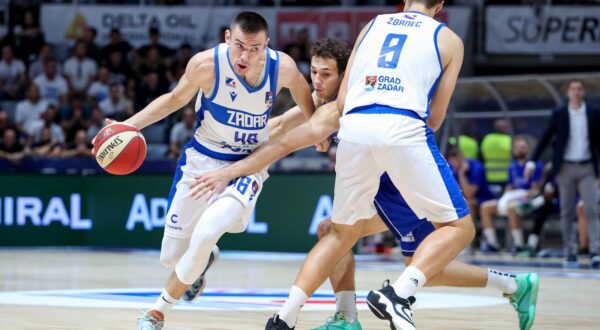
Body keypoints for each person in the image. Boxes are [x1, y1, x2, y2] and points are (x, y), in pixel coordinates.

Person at [191, 37, 538, 330]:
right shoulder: (324, 103)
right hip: (384, 191)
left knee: (349, 237)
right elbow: (281, 126)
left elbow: (287, 142)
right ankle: (512, 284)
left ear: (347, 75)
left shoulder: (348, 104)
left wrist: (229, 171)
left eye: (326, 74)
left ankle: (325, 315)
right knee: (343, 235)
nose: (317, 82)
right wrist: (232, 136)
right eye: (313, 72)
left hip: (404, 190)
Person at [90, 12, 315, 330]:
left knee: (208, 232)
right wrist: (128, 125)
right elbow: (173, 100)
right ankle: (204, 259)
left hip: (248, 164)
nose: (245, 56)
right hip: (202, 160)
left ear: (267, 45)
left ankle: (157, 312)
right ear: (227, 38)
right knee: (171, 257)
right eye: (239, 46)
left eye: (254, 49)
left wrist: (319, 134)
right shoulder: (205, 65)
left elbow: (305, 96)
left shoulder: (284, 68)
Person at [525, 79, 600, 267]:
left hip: (587, 166)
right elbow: (545, 137)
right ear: (567, 92)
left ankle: (595, 250)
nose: (576, 91)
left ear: (583, 92)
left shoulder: (592, 112)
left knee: (590, 208)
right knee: (566, 210)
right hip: (565, 167)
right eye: (573, 88)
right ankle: (569, 249)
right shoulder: (559, 113)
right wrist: (532, 160)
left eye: (579, 88)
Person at [479, 136, 544, 253]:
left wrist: (520, 197)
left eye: (523, 147)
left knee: (511, 207)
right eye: (518, 147)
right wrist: (505, 196)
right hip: (512, 198)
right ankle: (493, 244)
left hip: (529, 201)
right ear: (513, 150)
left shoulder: (535, 165)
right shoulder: (512, 167)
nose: (520, 150)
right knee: (485, 207)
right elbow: (510, 185)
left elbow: (536, 189)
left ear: (528, 149)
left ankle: (518, 245)